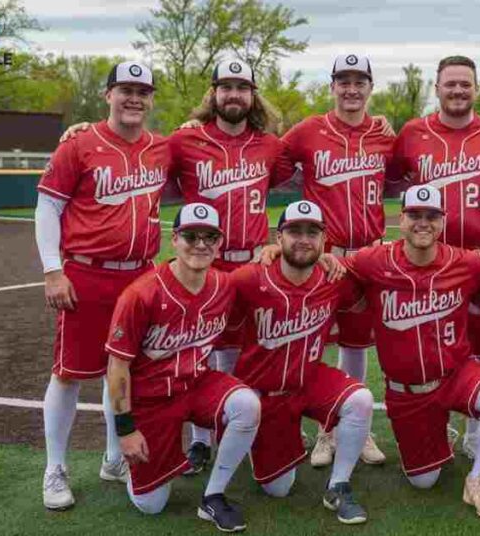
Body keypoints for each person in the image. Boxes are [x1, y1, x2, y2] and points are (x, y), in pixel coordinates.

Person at [35, 61, 170, 510]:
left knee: (128, 369)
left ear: (151, 99)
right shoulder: (80, 144)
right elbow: (48, 207)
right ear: (107, 94)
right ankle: (55, 467)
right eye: (125, 90)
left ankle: (114, 458)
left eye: (142, 91)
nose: (134, 98)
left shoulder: (161, 147)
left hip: (140, 273)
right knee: (70, 373)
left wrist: (194, 121)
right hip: (87, 274)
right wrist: (53, 269)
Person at [341, 185, 480, 520]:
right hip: (408, 393)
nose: (423, 223)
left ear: (443, 221)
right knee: (424, 481)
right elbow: (329, 268)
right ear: (401, 219)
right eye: (415, 215)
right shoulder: (372, 261)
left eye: (432, 216)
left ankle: (478, 479)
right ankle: (437, 433)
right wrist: (278, 252)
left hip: (456, 376)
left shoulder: (466, 261)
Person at [389, 55, 480, 467]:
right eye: (451, 84)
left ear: (476, 89)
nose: (458, 91)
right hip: (430, 265)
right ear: (437, 87)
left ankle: (477, 433)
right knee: (432, 347)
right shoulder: (412, 133)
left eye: (466, 84)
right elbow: (390, 181)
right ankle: (437, 424)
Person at [169, 59, 293, 473]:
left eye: (242, 87)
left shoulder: (270, 146)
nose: (234, 94)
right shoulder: (185, 141)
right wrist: (79, 128)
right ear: (214, 94)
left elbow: (288, 172)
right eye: (226, 87)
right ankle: (201, 439)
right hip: (205, 264)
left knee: (256, 348)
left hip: (255, 263)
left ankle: (251, 424)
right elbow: (144, 154)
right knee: (200, 349)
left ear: (253, 95)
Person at [104, 203, 260, 532]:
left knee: (247, 404)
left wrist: (275, 249)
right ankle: (131, 464)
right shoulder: (141, 294)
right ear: (174, 239)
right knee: (151, 505)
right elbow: (117, 367)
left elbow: (273, 274)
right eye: (190, 235)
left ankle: (213, 495)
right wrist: (126, 430)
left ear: (220, 243)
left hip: (197, 384)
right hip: (152, 398)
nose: (200, 244)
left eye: (210, 237)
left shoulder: (225, 285)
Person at [230, 201, 375, 525]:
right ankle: (248, 437)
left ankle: (338, 485)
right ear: (278, 238)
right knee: (279, 489)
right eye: (294, 231)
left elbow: (369, 288)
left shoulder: (334, 276)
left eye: (313, 232)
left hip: (308, 380)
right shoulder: (249, 278)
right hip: (264, 393)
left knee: (361, 398)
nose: (304, 239)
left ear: (324, 240)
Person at [281, 54, 394, 468]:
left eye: (359, 81)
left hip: (369, 254)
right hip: (323, 257)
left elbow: (398, 174)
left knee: (356, 343)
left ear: (370, 87)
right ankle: (323, 430)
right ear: (332, 86)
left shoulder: (383, 135)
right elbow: (270, 162)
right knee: (314, 341)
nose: (351, 88)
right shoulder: (308, 130)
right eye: (343, 81)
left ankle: (356, 428)